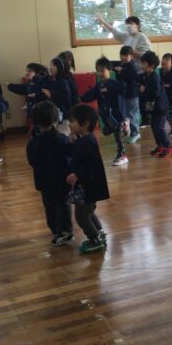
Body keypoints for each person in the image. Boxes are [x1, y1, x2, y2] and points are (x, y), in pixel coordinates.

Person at [27, 101, 73, 246]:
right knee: (63, 205)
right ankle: (64, 230)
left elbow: (32, 161)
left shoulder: (33, 142)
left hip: (44, 181)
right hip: (62, 180)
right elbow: (70, 157)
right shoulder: (62, 139)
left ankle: (55, 229)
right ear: (55, 118)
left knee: (49, 205)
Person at [66, 105, 110, 254]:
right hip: (86, 186)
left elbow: (92, 164)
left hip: (88, 187)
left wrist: (77, 174)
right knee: (88, 212)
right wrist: (72, 143)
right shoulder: (83, 139)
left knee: (82, 216)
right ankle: (99, 234)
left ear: (84, 123)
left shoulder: (87, 142)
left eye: (72, 121)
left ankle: (94, 240)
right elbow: (77, 157)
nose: (69, 125)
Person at [81, 57, 129, 167]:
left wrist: (109, 89)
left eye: (103, 70)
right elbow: (90, 95)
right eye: (98, 71)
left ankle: (122, 155)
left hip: (116, 116)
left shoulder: (113, 83)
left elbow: (123, 87)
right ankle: (125, 125)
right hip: (106, 116)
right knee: (106, 132)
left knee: (117, 134)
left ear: (109, 70)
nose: (100, 73)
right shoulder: (98, 85)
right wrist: (81, 98)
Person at [137, 51, 172, 158]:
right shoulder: (146, 75)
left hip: (161, 107)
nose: (142, 65)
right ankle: (160, 145)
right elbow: (137, 80)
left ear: (151, 65)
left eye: (144, 63)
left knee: (159, 127)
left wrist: (144, 89)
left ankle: (168, 146)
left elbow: (156, 93)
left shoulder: (155, 76)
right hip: (154, 108)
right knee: (154, 127)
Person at [7, 62, 47, 129]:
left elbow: (44, 95)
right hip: (33, 111)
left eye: (30, 71)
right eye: (27, 71)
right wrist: (9, 85)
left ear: (37, 72)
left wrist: (35, 95)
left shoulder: (42, 81)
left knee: (41, 129)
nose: (27, 73)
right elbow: (22, 89)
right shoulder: (30, 81)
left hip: (41, 112)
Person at [115, 45, 141, 143]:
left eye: (126, 55)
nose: (123, 57)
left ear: (131, 56)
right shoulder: (121, 65)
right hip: (123, 94)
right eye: (122, 55)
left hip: (132, 94)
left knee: (132, 114)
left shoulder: (132, 66)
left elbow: (133, 76)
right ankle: (130, 132)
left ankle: (135, 133)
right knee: (125, 114)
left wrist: (122, 70)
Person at [40, 57, 72, 135]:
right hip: (50, 115)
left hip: (62, 115)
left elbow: (66, 98)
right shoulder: (47, 80)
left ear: (59, 68)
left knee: (63, 135)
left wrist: (51, 94)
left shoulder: (63, 82)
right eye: (49, 65)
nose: (50, 67)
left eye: (53, 65)